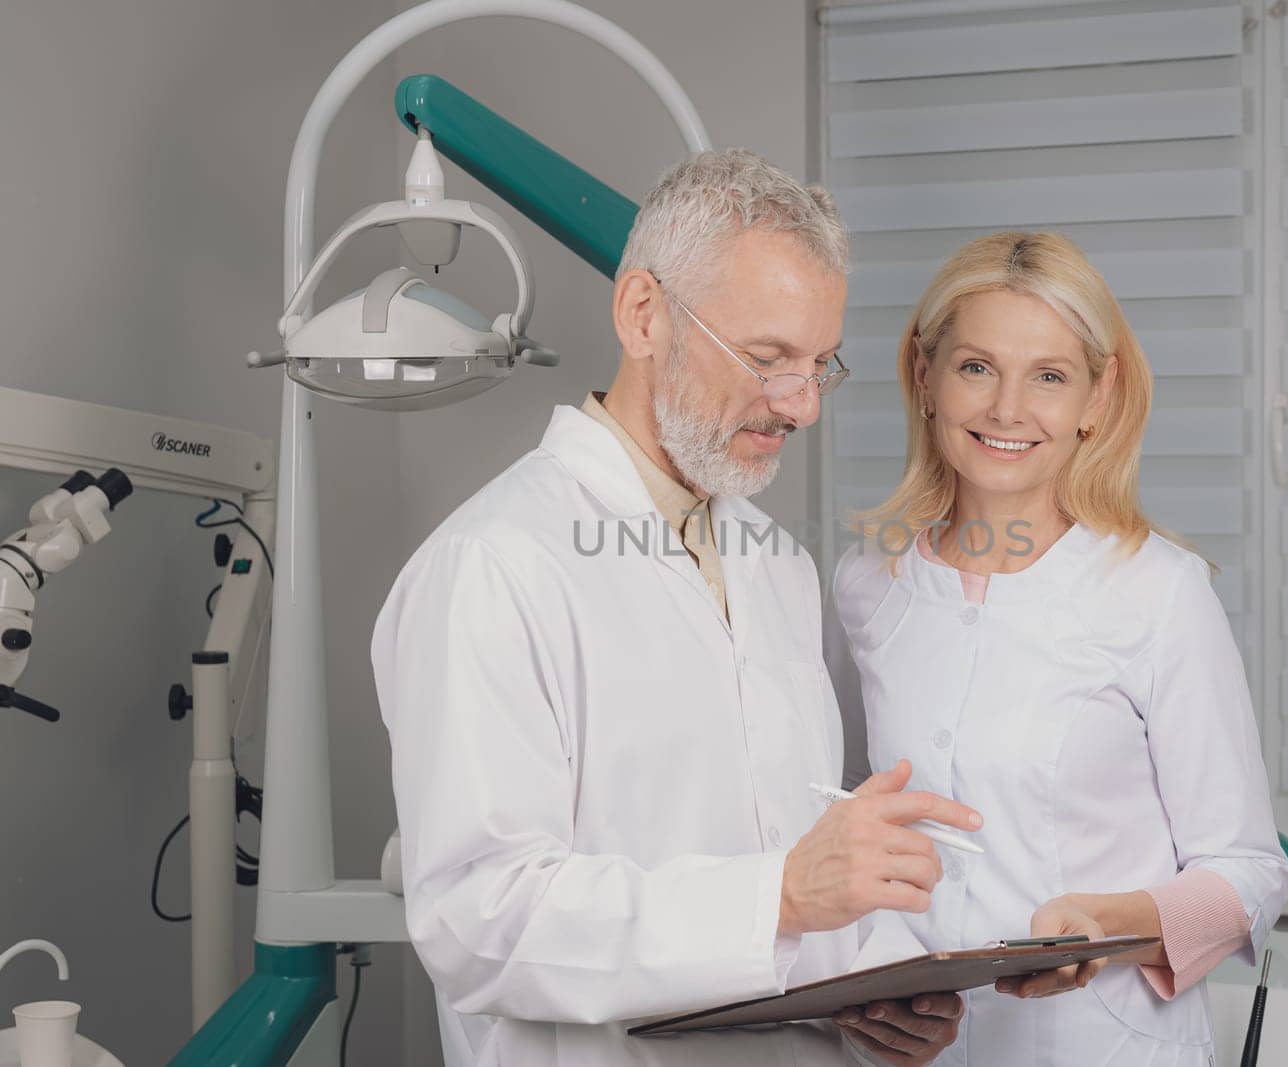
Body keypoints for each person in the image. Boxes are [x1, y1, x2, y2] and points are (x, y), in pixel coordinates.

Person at [371, 149, 974, 1066]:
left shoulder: (777, 564)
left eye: (820, 364)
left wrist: (882, 975)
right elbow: (478, 918)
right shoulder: (491, 564)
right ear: (643, 314)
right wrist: (778, 897)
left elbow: (788, 843)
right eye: (769, 359)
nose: (803, 404)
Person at [831, 231, 1288, 1064]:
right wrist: (864, 980)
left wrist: (1111, 926)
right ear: (924, 376)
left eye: (1049, 375)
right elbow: (846, 834)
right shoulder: (868, 584)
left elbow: (1250, 874)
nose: (1008, 409)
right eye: (976, 367)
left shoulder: (1160, 591)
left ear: (1097, 395)